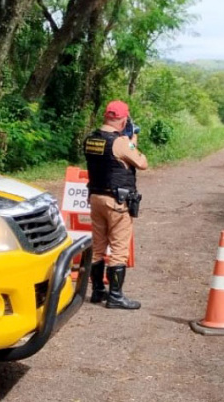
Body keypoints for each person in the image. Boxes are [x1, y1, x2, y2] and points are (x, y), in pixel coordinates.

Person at [83, 100, 148, 310]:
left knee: (98, 247)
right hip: (116, 202)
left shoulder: (91, 139)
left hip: (96, 198)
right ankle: (115, 296)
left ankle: (97, 292)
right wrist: (132, 140)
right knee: (119, 249)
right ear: (123, 119)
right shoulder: (120, 142)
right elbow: (142, 162)